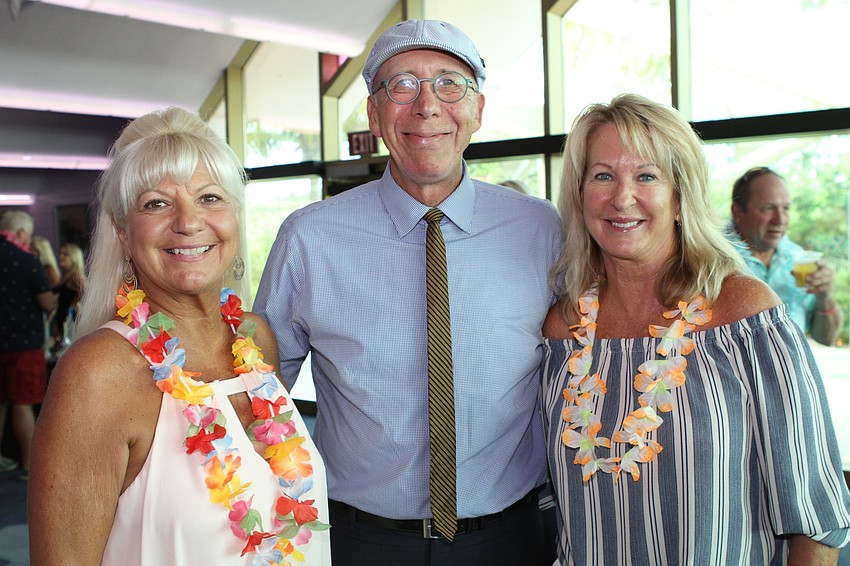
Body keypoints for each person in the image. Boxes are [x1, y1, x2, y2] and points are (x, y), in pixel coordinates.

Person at [255, 19, 562, 566]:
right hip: (361, 542)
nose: (426, 106)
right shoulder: (309, 239)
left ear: (478, 110)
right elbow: (258, 393)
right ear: (374, 115)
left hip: (511, 541)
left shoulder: (542, 230)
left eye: (449, 83)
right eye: (401, 85)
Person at [542, 94, 850, 565]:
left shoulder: (744, 314)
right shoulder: (562, 331)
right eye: (603, 175)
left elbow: (814, 519)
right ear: (580, 194)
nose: (622, 197)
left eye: (647, 176)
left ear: (681, 197)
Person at [28, 107, 330, 565]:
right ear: (123, 234)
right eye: (156, 202)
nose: (189, 222)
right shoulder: (99, 373)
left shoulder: (256, 338)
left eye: (210, 198)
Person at [728, 166, 844, 346]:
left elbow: (826, 338)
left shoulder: (797, 258)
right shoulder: (711, 256)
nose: (780, 219)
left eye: (786, 208)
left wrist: (824, 297)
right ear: (738, 212)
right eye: (768, 208)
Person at [0, 211, 56, 478]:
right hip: (23, 342)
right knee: (23, 402)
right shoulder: (27, 261)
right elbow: (46, 302)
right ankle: (29, 463)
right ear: (21, 233)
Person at [51, 242, 87, 348]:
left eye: (65, 254)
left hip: (71, 324)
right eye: (60, 253)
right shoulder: (66, 276)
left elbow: (86, 293)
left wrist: (75, 303)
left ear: (74, 258)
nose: (60, 257)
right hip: (64, 324)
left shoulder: (76, 275)